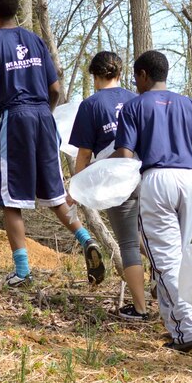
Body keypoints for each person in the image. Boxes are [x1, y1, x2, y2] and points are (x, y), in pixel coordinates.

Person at [0, 0, 105, 288]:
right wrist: (45, 114)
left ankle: (22, 271)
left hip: (16, 117)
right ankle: (85, 240)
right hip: (44, 117)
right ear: (16, 10)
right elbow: (55, 89)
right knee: (54, 192)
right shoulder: (35, 40)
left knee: (11, 199)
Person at [114, 50, 192, 353]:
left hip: (156, 179)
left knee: (165, 260)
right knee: (178, 255)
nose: (135, 82)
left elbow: (125, 156)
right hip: (188, 179)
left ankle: (188, 327)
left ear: (143, 75)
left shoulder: (134, 107)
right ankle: (177, 327)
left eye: (136, 77)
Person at [67, 51, 146, 321]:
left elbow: (84, 154)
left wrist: (77, 187)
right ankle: (172, 291)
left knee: (128, 243)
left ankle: (140, 308)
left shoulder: (90, 105)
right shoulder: (137, 99)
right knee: (151, 236)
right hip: (145, 172)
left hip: (115, 179)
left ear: (95, 76)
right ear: (120, 73)